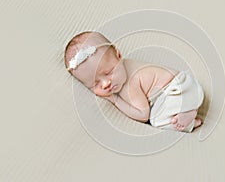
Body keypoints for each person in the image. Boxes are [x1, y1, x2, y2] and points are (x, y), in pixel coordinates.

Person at [64, 31, 204, 132]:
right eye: (95, 84)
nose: (106, 83)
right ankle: (189, 114)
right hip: (186, 83)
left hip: (177, 92)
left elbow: (143, 115)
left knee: (156, 120)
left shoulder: (130, 86)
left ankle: (188, 117)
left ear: (119, 55)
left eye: (108, 72)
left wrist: (114, 100)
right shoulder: (124, 66)